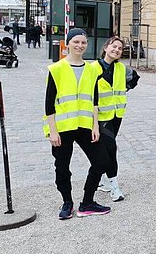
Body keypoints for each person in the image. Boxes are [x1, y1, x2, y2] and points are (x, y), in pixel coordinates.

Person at [44, 28, 111, 219]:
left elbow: (94, 99)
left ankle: (87, 202)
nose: (80, 45)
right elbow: (49, 103)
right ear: (68, 44)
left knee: (101, 161)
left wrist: (95, 125)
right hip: (63, 128)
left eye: (83, 42)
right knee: (62, 167)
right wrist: (53, 131)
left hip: (85, 125)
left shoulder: (91, 69)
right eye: (76, 42)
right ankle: (67, 202)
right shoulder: (56, 69)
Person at [92, 37, 140, 202]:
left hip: (116, 115)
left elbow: (135, 78)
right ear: (106, 47)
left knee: (106, 150)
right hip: (100, 117)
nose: (117, 50)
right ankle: (114, 186)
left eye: (120, 48)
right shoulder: (93, 68)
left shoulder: (122, 68)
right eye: (114, 47)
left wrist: (126, 87)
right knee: (111, 150)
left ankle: (104, 181)